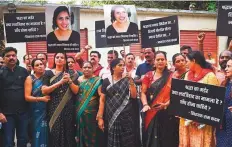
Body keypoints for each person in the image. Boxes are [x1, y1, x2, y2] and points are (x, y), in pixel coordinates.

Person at [179, 51, 219, 147]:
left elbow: (214, 100)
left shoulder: (210, 76)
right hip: (187, 118)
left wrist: (200, 116)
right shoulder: (187, 75)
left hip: (203, 120)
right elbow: (184, 94)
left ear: (194, 60)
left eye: (187, 61)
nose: (185, 63)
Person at [41, 52, 79, 147]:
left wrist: (69, 81)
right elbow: (44, 91)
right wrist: (60, 82)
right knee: (55, 131)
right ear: (54, 59)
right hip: (54, 107)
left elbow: (76, 91)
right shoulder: (48, 73)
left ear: (65, 60)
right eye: (57, 57)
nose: (59, 59)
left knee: (68, 131)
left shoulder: (71, 73)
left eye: (62, 57)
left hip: (68, 107)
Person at [141, 51, 178, 147]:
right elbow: (143, 93)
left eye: (162, 59)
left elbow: (176, 94)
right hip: (150, 111)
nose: (160, 61)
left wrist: (166, 104)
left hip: (167, 112)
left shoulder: (172, 76)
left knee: (166, 138)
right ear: (154, 61)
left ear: (166, 61)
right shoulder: (148, 75)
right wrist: (145, 104)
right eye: (158, 59)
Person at [100, 58, 140, 147]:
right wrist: (100, 117)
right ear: (113, 68)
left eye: (123, 65)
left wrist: (130, 80)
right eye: (120, 65)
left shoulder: (128, 79)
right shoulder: (106, 81)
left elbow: (133, 96)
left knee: (127, 140)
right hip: (111, 114)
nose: (122, 67)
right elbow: (102, 99)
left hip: (126, 115)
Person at [0, 47, 29, 147]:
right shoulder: (0, 73)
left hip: (23, 113)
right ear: (3, 58)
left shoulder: (24, 71)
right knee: (8, 141)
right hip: (6, 115)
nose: (11, 57)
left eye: (13, 55)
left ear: (16, 57)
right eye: (8, 56)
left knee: (23, 139)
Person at [75, 61, 103, 147]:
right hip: (79, 111)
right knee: (80, 135)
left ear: (93, 69)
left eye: (89, 67)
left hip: (92, 113)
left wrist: (100, 113)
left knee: (91, 135)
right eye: (85, 67)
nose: (87, 69)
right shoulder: (78, 80)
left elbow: (102, 97)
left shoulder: (98, 80)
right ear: (82, 69)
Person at [24, 58, 50, 147]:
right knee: (36, 133)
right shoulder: (30, 78)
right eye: (37, 65)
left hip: (48, 110)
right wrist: (41, 99)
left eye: (41, 64)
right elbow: (27, 97)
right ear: (33, 68)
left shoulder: (48, 77)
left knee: (47, 133)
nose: (40, 66)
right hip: (35, 111)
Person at [216, 59, 232, 147]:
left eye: (229, 66)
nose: (226, 69)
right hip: (223, 125)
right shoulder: (224, 83)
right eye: (226, 66)